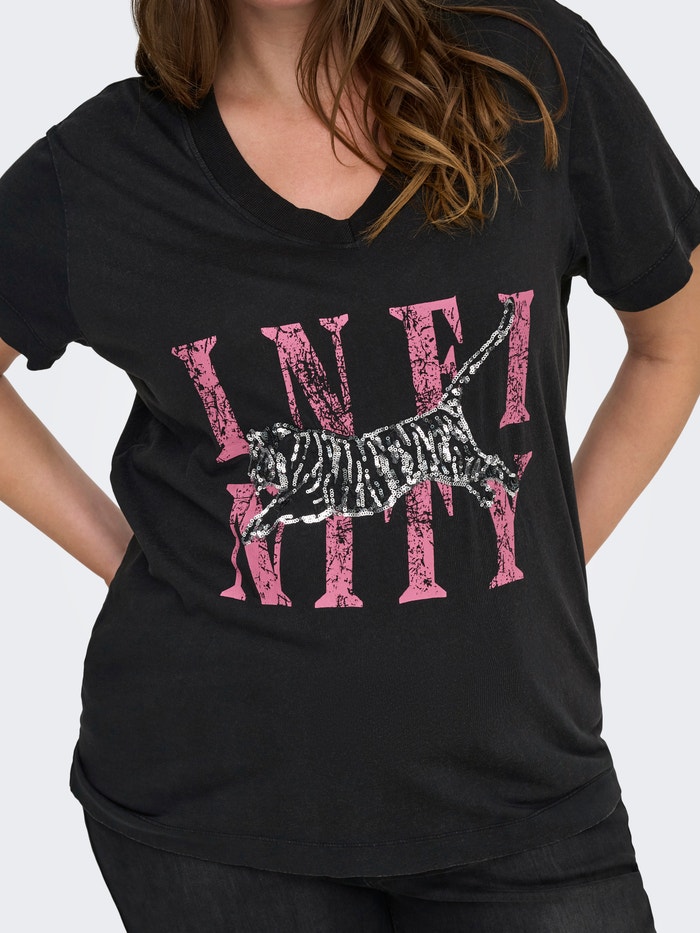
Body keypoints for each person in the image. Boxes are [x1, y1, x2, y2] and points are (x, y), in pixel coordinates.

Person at [1, 0, 698, 929]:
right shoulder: (103, 170)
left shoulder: (533, 75)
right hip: (210, 817)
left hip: (525, 796)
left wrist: (545, 548)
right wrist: (125, 554)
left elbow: (674, 340)